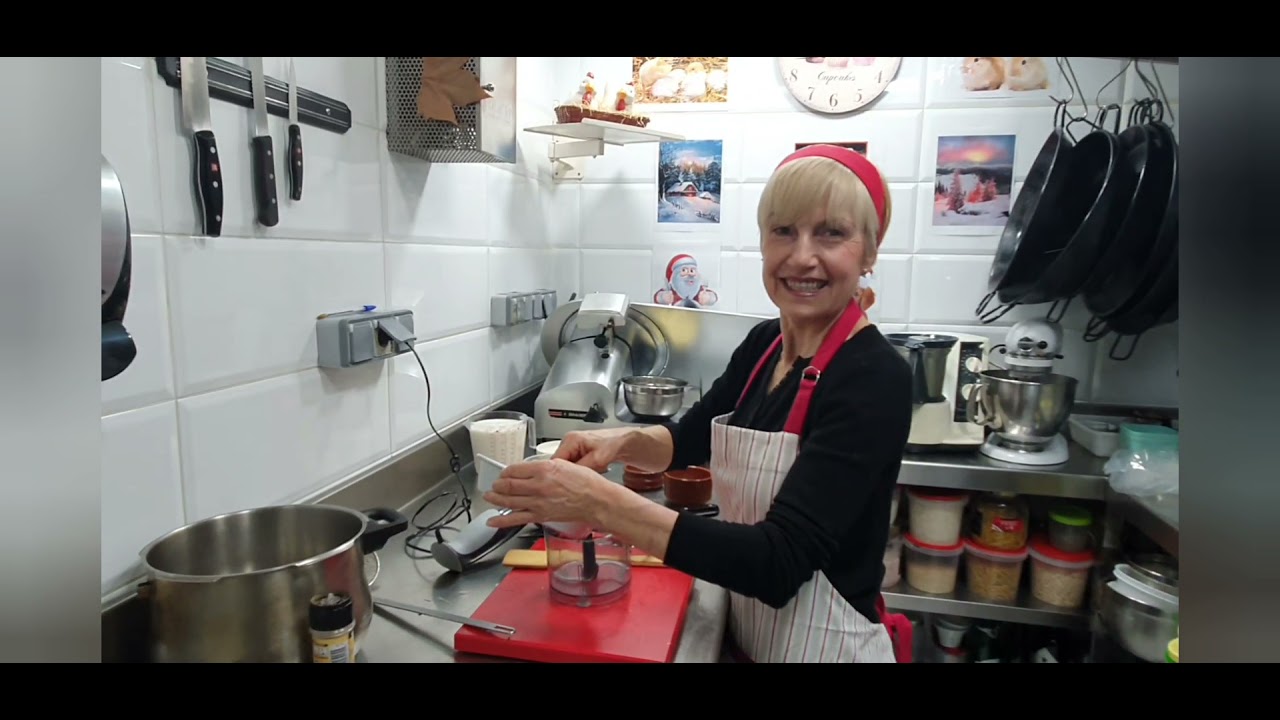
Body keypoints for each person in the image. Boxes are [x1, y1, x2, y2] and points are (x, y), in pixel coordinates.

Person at [484, 144, 914, 663]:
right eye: (783, 231)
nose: (802, 256)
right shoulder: (764, 346)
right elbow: (686, 442)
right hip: (753, 642)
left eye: (831, 233)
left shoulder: (873, 376)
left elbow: (777, 565)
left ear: (869, 252)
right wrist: (614, 442)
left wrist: (599, 504)